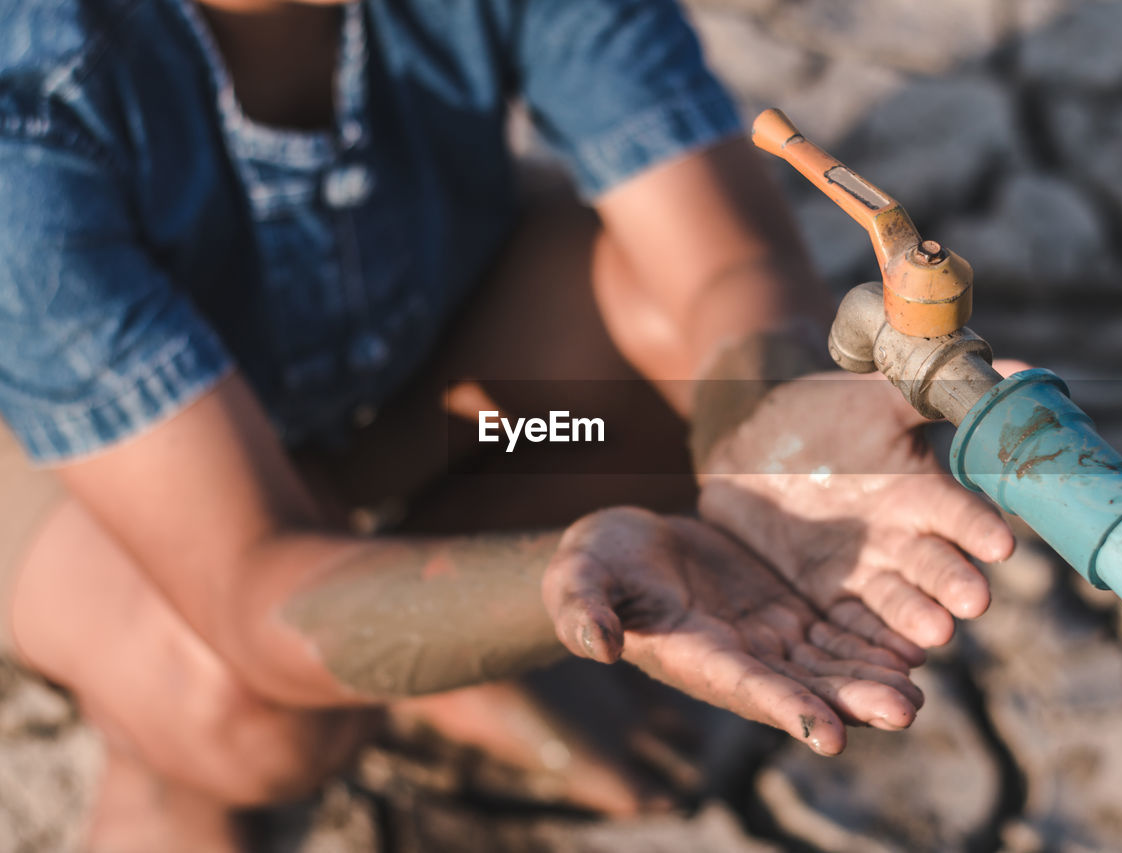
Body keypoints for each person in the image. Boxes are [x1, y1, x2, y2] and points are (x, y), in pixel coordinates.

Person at [0, 0, 1017, 848]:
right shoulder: (29, 108)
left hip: (450, 418)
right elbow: (251, 586)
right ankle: (170, 772)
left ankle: (424, 620)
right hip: (101, 470)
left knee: (665, 379)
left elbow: (720, 266)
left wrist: (765, 433)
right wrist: (552, 584)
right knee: (237, 705)